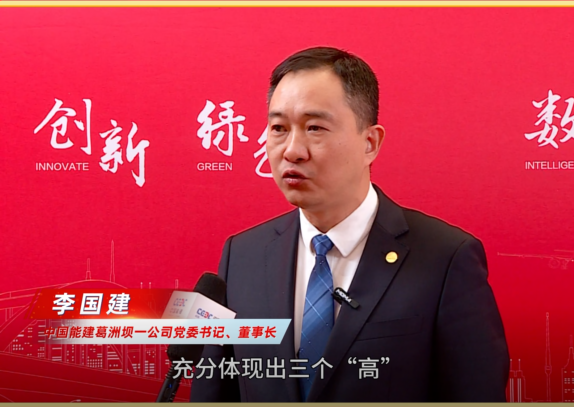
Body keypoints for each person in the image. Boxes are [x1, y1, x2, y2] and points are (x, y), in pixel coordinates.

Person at [190, 46, 509, 402]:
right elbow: (213, 392)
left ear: (370, 143)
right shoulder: (243, 256)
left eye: (314, 127)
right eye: (279, 127)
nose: (292, 150)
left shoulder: (445, 259)